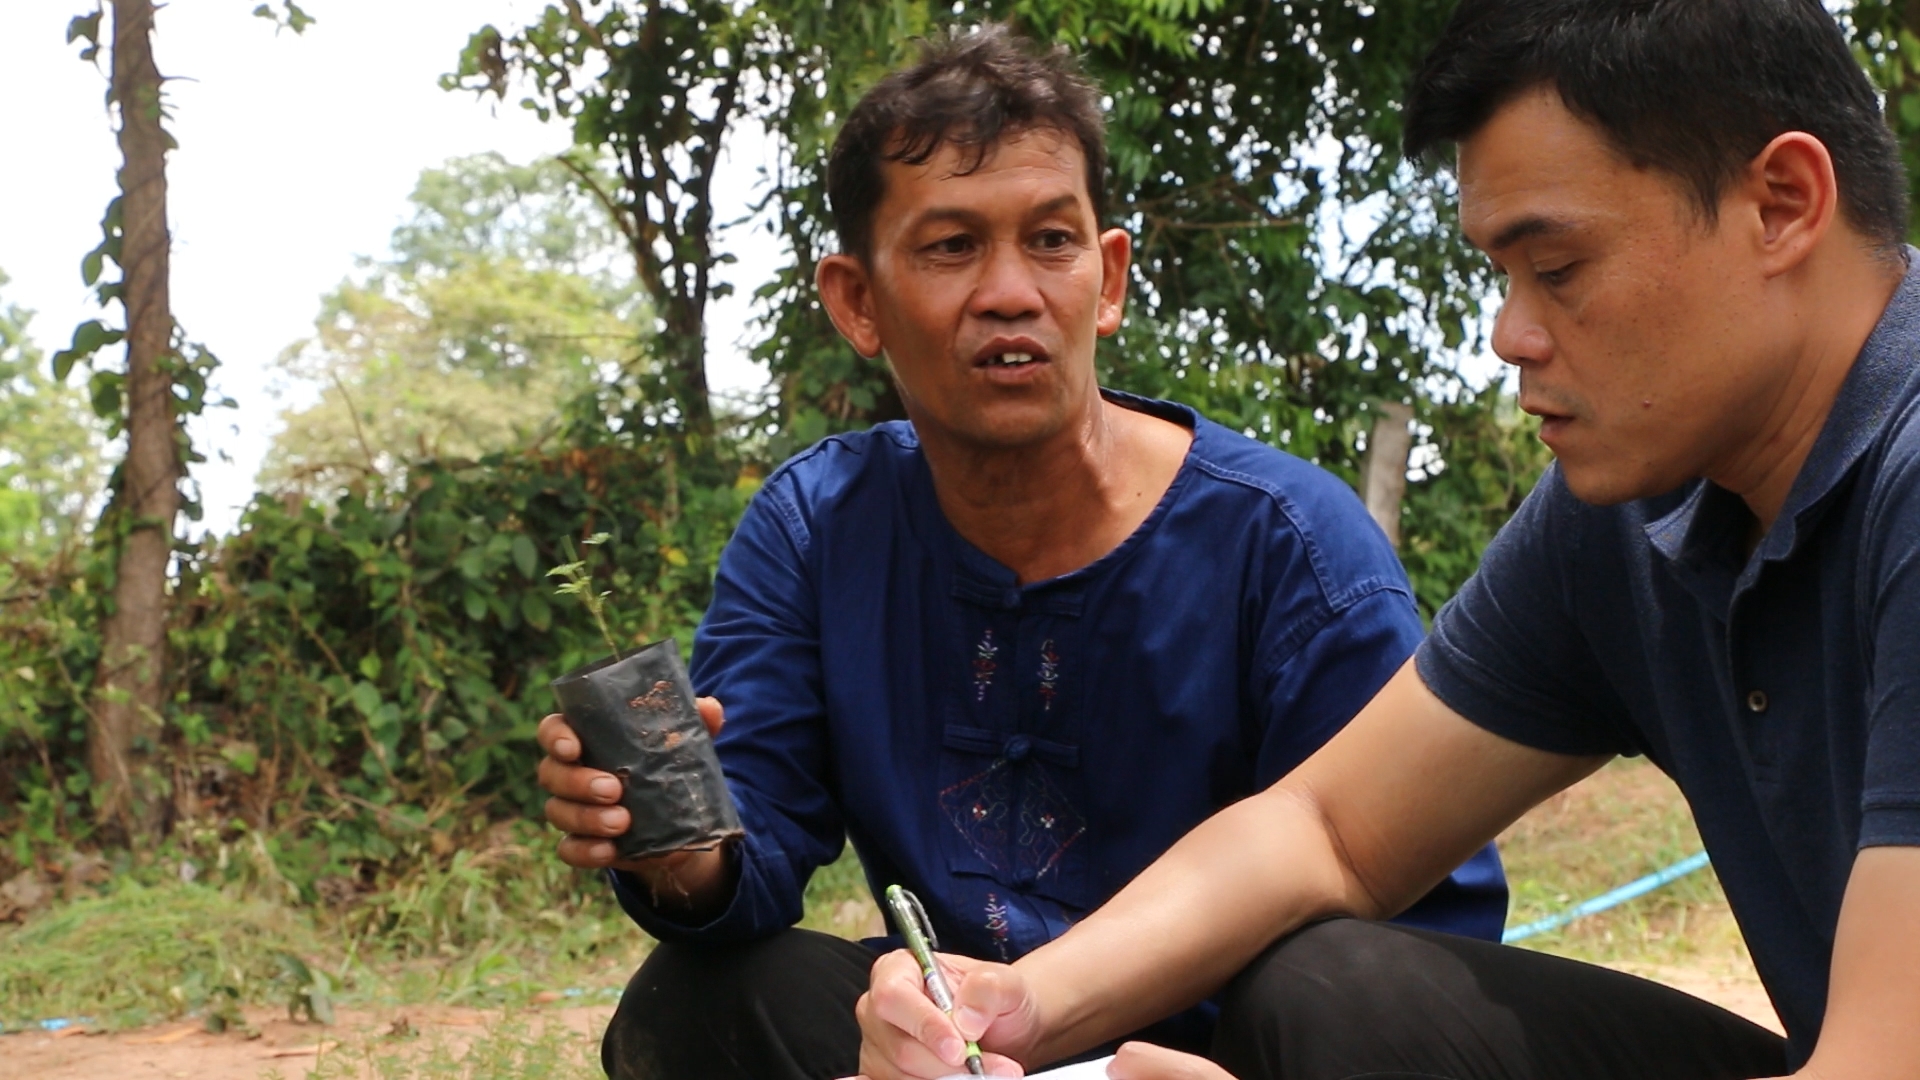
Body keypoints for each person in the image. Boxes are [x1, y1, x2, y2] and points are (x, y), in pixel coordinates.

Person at [853, 1, 1920, 1079]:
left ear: (1781, 205)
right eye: (1503, 276)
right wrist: (1023, 1008)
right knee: (1343, 990)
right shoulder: (1635, 513)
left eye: (1557, 268)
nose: (1509, 334)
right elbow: (1328, 828)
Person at [533, 24, 1507, 1080]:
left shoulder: (1288, 543)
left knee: (1351, 984)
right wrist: (678, 849)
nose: (1010, 291)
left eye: (1051, 240)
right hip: (953, 1046)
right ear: (857, 301)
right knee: (698, 1002)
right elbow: (752, 834)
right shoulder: (816, 528)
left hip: (1223, 1061)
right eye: (951, 247)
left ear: (1109, 275)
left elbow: (1422, 918)